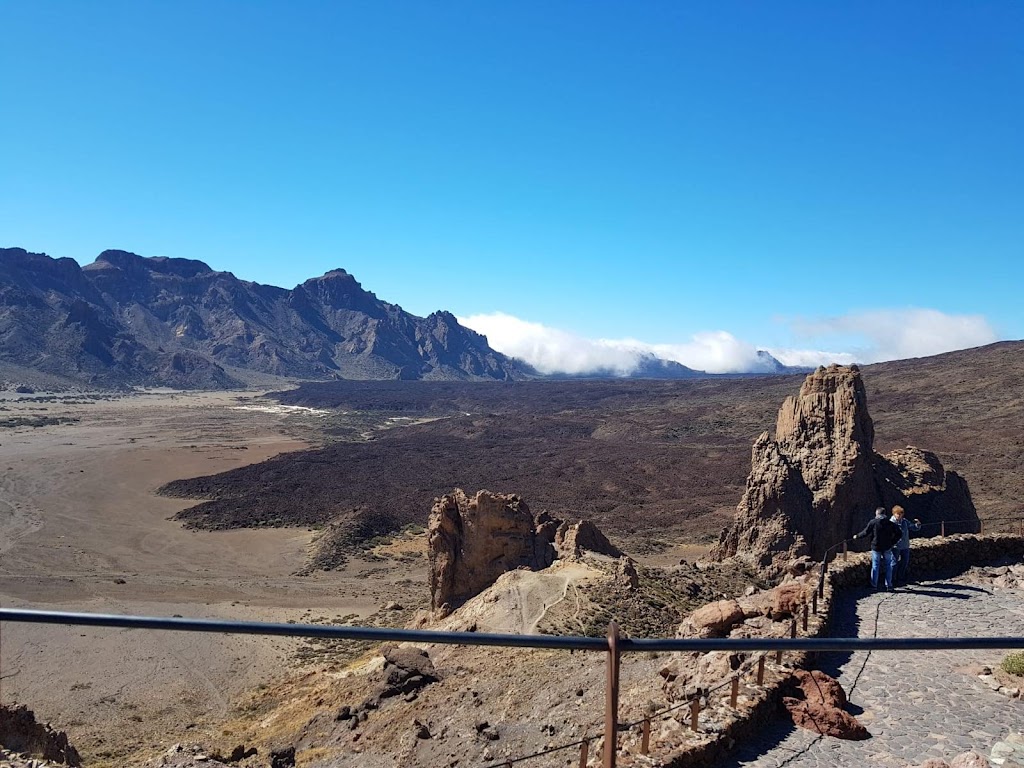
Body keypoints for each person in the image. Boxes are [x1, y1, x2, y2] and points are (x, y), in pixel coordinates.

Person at [852, 507, 902, 590]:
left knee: (875, 566)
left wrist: (857, 536)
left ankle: (874, 585)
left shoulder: (873, 522)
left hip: (876, 547)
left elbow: (865, 532)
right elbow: (899, 533)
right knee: (888, 566)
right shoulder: (889, 523)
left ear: (877, 513)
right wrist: (892, 542)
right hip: (887, 547)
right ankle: (889, 585)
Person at [890, 505, 922, 585]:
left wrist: (918, 524)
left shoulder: (904, 521)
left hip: (905, 546)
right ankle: (892, 579)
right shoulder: (891, 523)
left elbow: (913, 527)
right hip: (895, 546)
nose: (900, 516)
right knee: (894, 563)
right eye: (898, 514)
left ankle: (900, 578)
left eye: (901, 514)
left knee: (905, 562)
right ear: (894, 514)